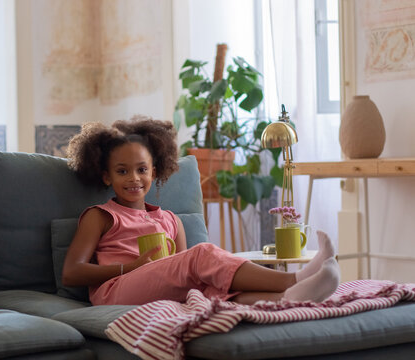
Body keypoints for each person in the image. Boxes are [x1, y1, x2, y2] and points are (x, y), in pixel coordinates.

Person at [63, 115, 340, 306]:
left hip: (158, 290)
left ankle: (291, 297)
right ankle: (294, 278)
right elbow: (71, 273)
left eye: (141, 170)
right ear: (106, 176)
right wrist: (128, 267)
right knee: (201, 254)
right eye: (122, 171)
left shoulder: (171, 220)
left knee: (210, 286)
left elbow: (181, 273)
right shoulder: (100, 216)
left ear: (155, 172)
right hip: (116, 291)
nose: (134, 178)